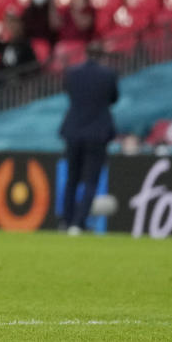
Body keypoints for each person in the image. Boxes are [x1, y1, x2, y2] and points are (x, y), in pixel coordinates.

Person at [59, 43, 119, 235]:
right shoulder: (108, 75)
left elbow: (69, 94)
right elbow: (113, 98)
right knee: (91, 180)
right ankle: (79, 223)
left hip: (74, 130)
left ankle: (66, 221)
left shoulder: (72, 73)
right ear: (102, 56)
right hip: (97, 132)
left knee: (72, 179)